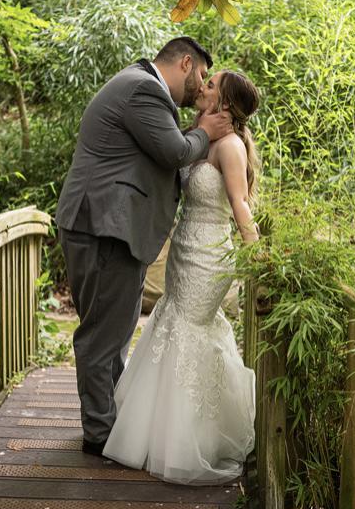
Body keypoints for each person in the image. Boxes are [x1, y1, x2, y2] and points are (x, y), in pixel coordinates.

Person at [55, 37, 234, 456]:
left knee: (114, 332)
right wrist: (206, 132)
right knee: (102, 337)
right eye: (202, 75)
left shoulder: (141, 86)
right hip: (104, 228)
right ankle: (99, 435)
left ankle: (111, 426)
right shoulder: (144, 90)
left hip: (112, 228)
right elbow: (174, 151)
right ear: (185, 63)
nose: (201, 85)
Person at [103, 70, 261, 485]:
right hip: (184, 247)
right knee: (173, 322)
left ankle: (190, 441)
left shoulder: (230, 146)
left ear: (225, 103)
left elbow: (240, 205)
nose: (201, 87)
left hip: (210, 254)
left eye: (211, 85)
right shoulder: (199, 138)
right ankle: (156, 435)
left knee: (190, 328)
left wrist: (261, 257)